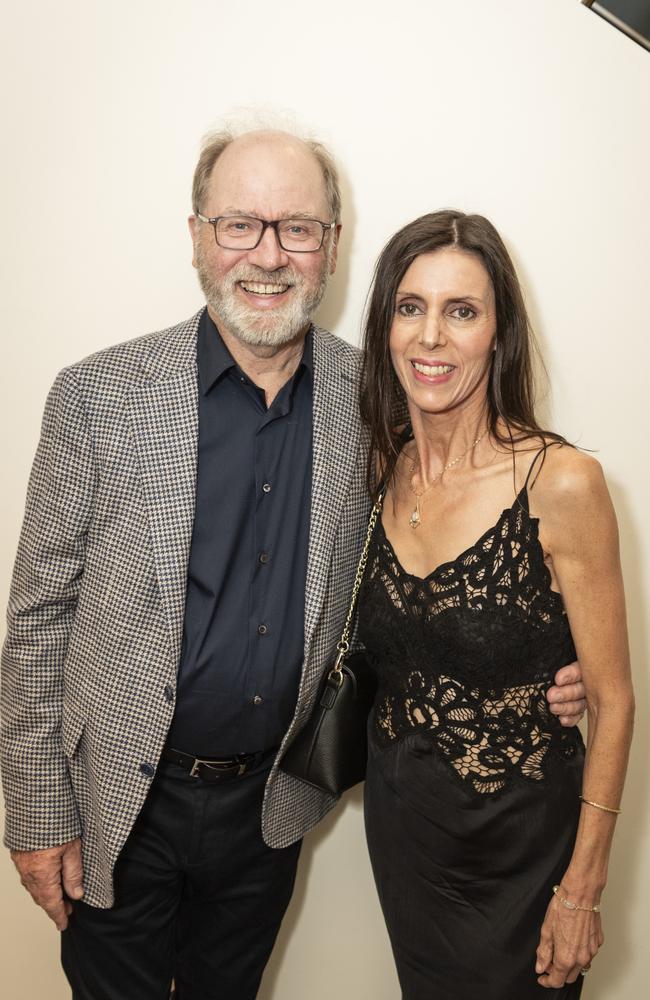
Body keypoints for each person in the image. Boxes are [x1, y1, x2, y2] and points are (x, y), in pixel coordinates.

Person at [1, 128, 586, 1000]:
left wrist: (531, 670)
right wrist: (36, 816)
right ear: (198, 235)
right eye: (241, 224)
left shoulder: (377, 402)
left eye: (298, 229)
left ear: (332, 248)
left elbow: (422, 574)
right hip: (114, 805)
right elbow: (37, 623)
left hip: (267, 813)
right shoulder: (96, 396)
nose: (268, 255)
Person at [357, 210, 634, 999]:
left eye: (461, 311)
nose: (431, 337)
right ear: (386, 328)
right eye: (410, 307)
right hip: (404, 834)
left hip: (521, 855)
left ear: (498, 333)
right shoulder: (384, 466)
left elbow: (614, 703)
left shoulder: (563, 482)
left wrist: (583, 889)